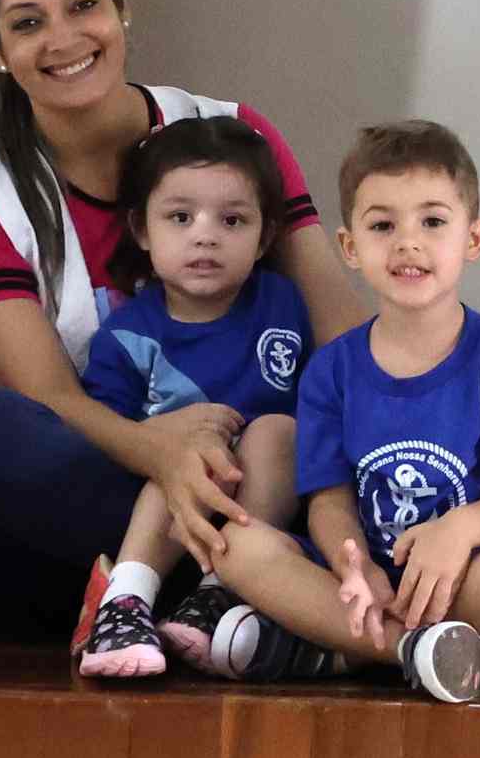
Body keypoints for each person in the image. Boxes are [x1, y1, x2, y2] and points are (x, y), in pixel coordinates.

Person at [0, 0, 358, 634]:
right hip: (96, 483)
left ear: (120, 6)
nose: (64, 38)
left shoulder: (235, 133)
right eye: (27, 23)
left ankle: (193, 598)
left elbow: (338, 328)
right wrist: (164, 454)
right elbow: (49, 395)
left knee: (368, 411)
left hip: (261, 468)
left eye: (83, 5)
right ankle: (254, 588)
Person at [199, 122, 480, 700]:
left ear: (474, 238)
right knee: (237, 548)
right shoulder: (331, 369)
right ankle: (411, 652)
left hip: (461, 577)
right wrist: (352, 562)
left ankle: (340, 654)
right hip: (360, 585)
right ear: (350, 247)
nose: (407, 244)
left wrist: (459, 530)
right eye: (383, 225)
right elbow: (328, 499)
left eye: (432, 222)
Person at [66, 117, 314, 680]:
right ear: (142, 229)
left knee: (279, 430)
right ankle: (125, 601)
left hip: (263, 519)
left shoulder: (282, 303)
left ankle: (217, 596)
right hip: (159, 523)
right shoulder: (127, 336)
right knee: (184, 450)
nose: (205, 236)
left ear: (265, 237)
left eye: (232, 220)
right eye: (181, 218)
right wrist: (174, 439)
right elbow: (108, 437)